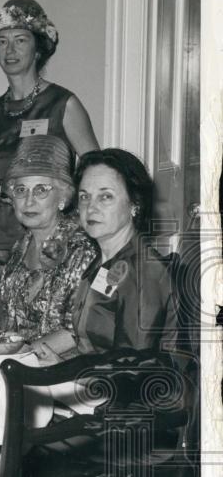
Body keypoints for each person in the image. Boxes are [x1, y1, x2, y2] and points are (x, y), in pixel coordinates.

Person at [0, 0, 99, 312]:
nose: (10, 50)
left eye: (20, 40)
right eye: (2, 42)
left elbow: (95, 172)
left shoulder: (63, 103)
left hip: (50, 237)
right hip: (1, 239)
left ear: (39, 47)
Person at [38, 149, 179, 361]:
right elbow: (89, 342)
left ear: (134, 204)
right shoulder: (103, 262)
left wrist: (64, 375)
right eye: (85, 196)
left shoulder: (143, 273)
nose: (91, 208)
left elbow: (132, 370)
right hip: (96, 385)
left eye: (106, 196)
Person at [0, 135, 99, 347]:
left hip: (63, 367)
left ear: (63, 197)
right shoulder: (21, 247)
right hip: (22, 361)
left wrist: (20, 357)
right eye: (20, 190)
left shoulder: (81, 250)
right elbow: (11, 320)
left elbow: (79, 331)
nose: (28, 200)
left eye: (41, 190)